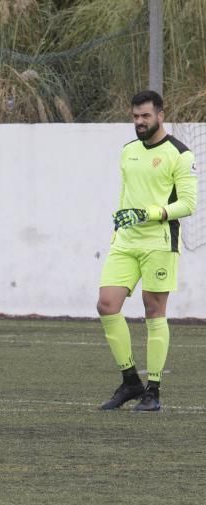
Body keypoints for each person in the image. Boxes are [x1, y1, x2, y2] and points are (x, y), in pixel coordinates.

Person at [97, 90, 197, 412]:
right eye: (135, 116)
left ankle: (153, 391)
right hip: (126, 242)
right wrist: (117, 232)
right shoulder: (128, 151)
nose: (139, 122)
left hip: (159, 241)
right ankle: (130, 382)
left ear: (160, 115)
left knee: (153, 310)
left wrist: (149, 214)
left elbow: (188, 204)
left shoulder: (180, 154)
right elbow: (125, 196)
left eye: (145, 116)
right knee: (107, 305)